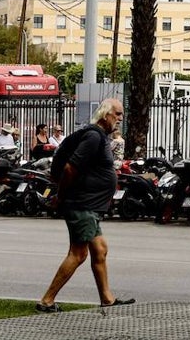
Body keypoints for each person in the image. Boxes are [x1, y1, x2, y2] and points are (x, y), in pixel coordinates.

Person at [37, 98, 134, 312]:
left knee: (99, 250)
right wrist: (60, 198)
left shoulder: (99, 137)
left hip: (89, 206)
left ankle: (107, 298)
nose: (120, 119)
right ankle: (47, 300)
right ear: (106, 114)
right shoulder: (93, 136)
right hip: (82, 205)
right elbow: (71, 168)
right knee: (78, 254)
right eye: (117, 114)